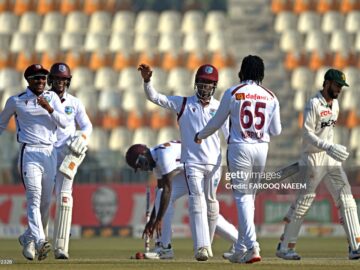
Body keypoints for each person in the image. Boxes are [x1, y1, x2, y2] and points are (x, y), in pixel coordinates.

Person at [195, 55, 282, 264]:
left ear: (241, 71)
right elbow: (276, 130)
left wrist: (200, 135)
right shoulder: (270, 96)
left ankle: (253, 246)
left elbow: (217, 121)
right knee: (249, 197)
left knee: (243, 197)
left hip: (240, 147)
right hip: (262, 148)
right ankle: (241, 247)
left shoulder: (233, 92)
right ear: (261, 73)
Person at [138, 63, 229, 261]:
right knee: (195, 201)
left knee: (211, 204)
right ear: (196, 84)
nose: (205, 87)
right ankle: (199, 247)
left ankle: (211, 243)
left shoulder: (220, 106)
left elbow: (229, 136)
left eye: (209, 84)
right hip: (192, 164)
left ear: (215, 86)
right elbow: (156, 97)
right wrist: (147, 81)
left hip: (214, 164)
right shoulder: (184, 103)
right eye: (202, 83)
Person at [275, 68, 360, 260]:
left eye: (341, 86)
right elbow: (306, 134)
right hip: (312, 159)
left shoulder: (336, 105)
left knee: (346, 199)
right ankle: (285, 247)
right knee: (304, 203)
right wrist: (326, 146)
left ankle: (356, 246)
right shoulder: (313, 104)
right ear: (327, 83)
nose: (339, 89)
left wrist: (330, 149)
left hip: (330, 159)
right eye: (337, 85)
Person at [0, 64, 68, 261]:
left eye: (43, 78)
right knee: (34, 198)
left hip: (49, 152)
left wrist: (49, 109)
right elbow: (1, 123)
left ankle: (27, 236)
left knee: (46, 203)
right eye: (36, 78)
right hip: (29, 152)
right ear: (28, 80)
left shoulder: (52, 97)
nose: (41, 82)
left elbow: (63, 122)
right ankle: (40, 240)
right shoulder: (16, 101)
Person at [125, 141, 238, 260]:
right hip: (191, 170)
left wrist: (158, 219)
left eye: (139, 164)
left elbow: (167, 190)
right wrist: (152, 220)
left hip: (207, 166)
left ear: (143, 154)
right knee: (161, 194)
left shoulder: (163, 156)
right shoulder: (155, 159)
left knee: (204, 210)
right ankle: (164, 247)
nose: (142, 169)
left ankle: (240, 241)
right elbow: (161, 192)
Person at [47, 62, 93, 259]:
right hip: (45, 152)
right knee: (41, 198)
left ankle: (61, 247)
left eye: (63, 79)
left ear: (68, 81)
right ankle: (37, 241)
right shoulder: (42, 98)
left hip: (67, 153)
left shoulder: (74, 102)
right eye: (57, 79)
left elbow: (87, 126)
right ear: (51, 80)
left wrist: (81, 139)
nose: (60, 82)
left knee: (65, 197)